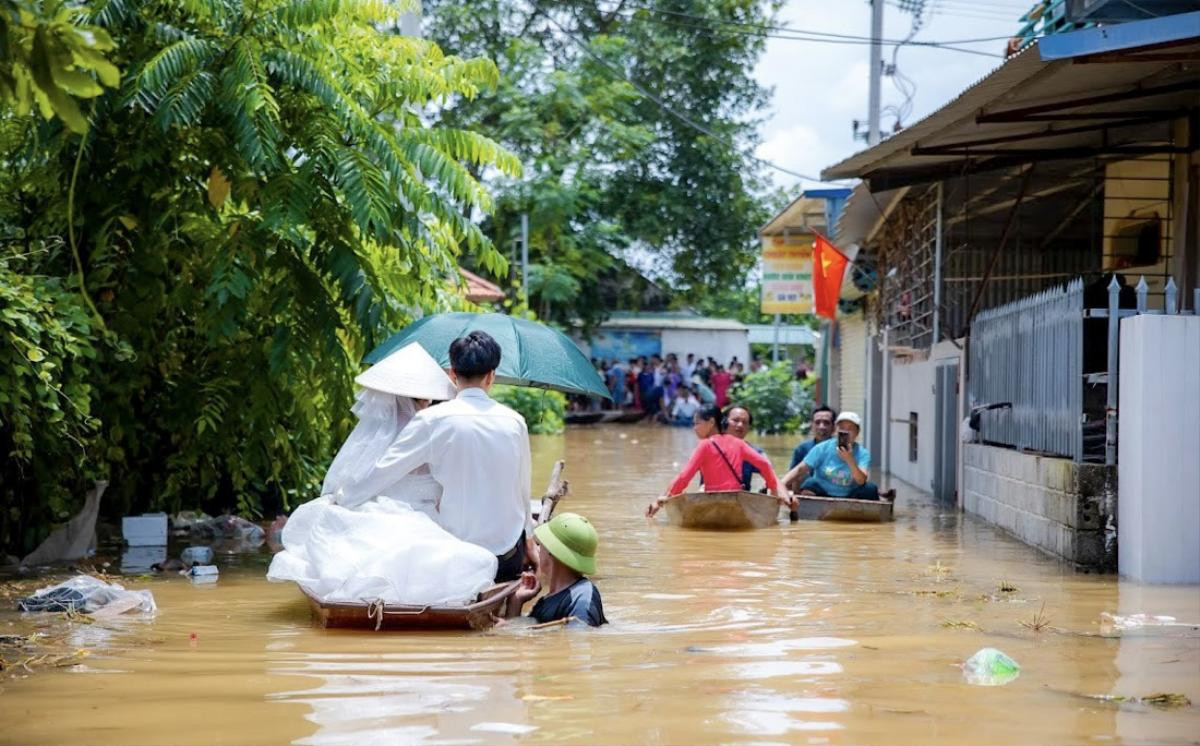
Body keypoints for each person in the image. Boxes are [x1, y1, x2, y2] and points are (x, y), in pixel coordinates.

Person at [267, 343, 500, 605]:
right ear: (424, 397)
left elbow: (367, 479)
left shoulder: (381, 430)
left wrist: (343, 498)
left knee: (330, 518)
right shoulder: (430, 426)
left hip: (389, 511)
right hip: (425, 517)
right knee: (458, 555)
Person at [339, 331, 534, 581]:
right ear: (492, 375)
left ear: (452, 373)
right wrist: (529, 540)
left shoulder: (432, 420)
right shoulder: (516, 422)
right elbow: (523, 488)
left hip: (458, 554)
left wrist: (344, 498)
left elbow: (384, 471)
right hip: (507, 555)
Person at [646, 406, 792, 516]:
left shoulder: (705, 445)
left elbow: (684, 477)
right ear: (725, 422)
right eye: (735, 420)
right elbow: (766, 465)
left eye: (697, 423)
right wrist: (773, 492)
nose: (695, 427)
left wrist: (665, 499)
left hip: (712, 500)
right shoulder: (740, 444)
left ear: (710, 423)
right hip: (737, 500)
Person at [504, 512, 607, 628]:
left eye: (540, 545)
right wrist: (516, 601)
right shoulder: (547, 601)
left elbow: (580, 640)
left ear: (551, 551)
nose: (538, 550)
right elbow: (518, 637)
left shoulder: (581, 598)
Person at [781, 411, 892, 501]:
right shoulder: (822, 448)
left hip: (850, 493)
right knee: (809, 483)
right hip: (823, 492)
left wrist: (849, 459)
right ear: (836, 429)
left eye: (850, 428)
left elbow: (861, 481)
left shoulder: (863, 453)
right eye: (842, 427)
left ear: (857, 432)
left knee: (870, 488)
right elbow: (800, 468)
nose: (845, 431)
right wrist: (780, 485)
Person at [724, 404, 765, 492]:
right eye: (735, 420)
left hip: (741, 501)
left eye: (745, 422)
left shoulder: (754, 451)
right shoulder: (708, 447)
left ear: (748, 428)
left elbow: (771, 474)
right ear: (723, 422)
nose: (740, 425)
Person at [790, 405, 835, 469]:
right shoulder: (801, 449)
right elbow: (792, 475)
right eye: (817, 422)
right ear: (812, 426)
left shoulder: (841, 450)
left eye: (826, 422)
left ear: (834, 427)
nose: (821, 427)